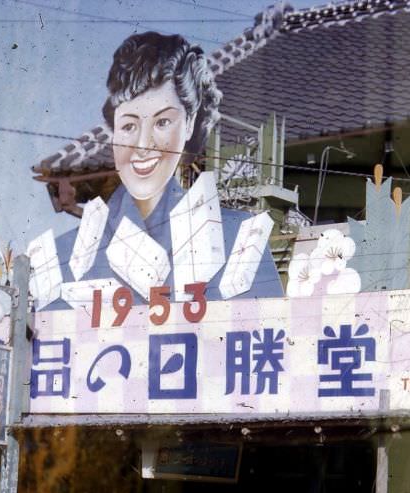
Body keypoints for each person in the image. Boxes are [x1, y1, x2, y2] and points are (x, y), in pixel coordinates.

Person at [55, 31, 284, 303]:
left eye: (162, 122)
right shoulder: (65, 254)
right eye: (129, 126)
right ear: (113, 133)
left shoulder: (241, 240)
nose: (143, 145)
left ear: (188, 124)